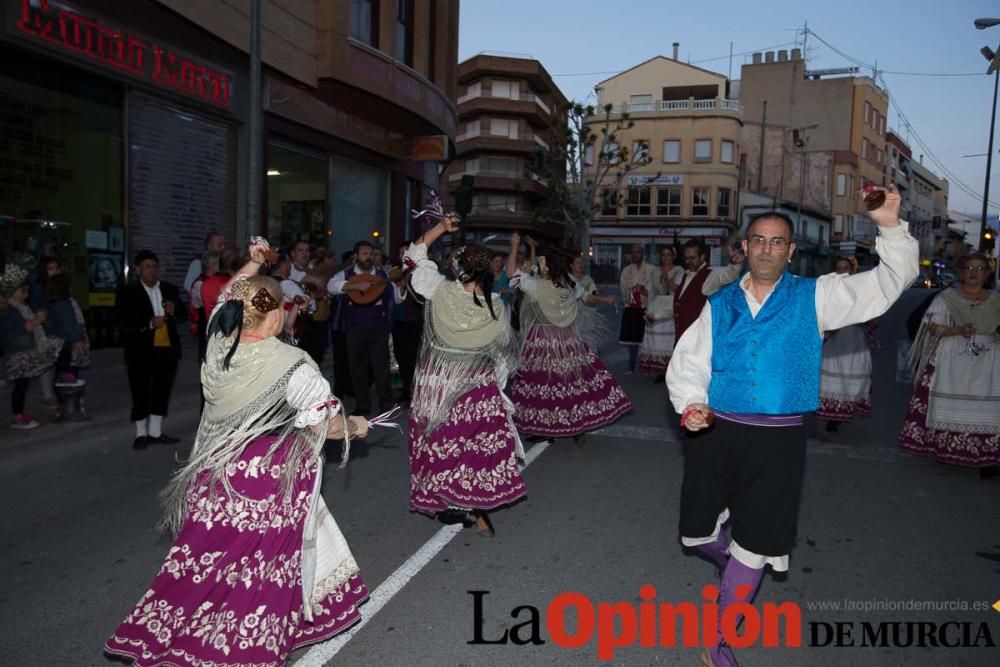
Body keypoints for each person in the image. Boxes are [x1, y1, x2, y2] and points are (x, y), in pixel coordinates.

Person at [666, 190, 917, 667]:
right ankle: (733, 564)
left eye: (776, 242)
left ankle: (719, 641)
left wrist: (889, 225)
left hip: (778, 440)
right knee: (696, 532)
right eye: (757, 240)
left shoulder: (817, 296)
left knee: (758, 542)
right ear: (743, 248)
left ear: (790, 251)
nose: (765, 249)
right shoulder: (719, 304)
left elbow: (890, 282)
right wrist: (693, 405)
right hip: (717, 432)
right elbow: (690, 362)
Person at [105, 239, 370, 667]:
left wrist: (253, 262)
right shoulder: (293, 363)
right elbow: (326, 425)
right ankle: (242, 648)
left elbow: (231, 295)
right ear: (275, 314)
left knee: (210, 564)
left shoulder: (218, 342)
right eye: (284, 306)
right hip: (266, 484)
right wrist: (356, 426)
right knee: (258, 572)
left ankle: (180, 636)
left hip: (216, 475)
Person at [404, 213, 525, 536]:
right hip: (476, 382)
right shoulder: (497, 306)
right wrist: (498, 389)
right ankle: (471, 505)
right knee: (474, 446)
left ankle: (455, 504)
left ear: (456, 269)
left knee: (439, 442)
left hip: (438, 381)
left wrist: (441, 228)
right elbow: (500, 355)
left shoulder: (436, 289)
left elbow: (415, 254)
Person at [507, 233, 632, 440]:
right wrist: (606, 300)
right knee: (569, 382)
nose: (540, 266)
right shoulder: (567, 285)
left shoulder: (538, 286)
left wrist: (514, 246)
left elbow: (512, 273)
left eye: (542, 264)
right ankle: (577, 425)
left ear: (547, 268)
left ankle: (547, 429)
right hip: (567, 339)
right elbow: (586, 297)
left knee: (544, 385)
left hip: (541, 340)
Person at [899, 253, 1000, 479]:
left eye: (979, 269)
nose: (973, 273)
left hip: (990, 360)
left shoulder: (996, 301)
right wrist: (958, 330)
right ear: (962, 272)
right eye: (969, 268)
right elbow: (933, 327)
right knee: (953, 403)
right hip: (953, 357)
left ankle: (989, 458)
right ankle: (947, 447)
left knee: (988, 408)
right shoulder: (947, 298)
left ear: (987, 274)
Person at [118, 250, 185, 450]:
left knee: (162, 390)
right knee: (140, 391)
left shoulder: (169, 289)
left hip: (167, 349)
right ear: (138, 269)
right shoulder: (128, 292)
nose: (152, 271)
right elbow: (123, 322)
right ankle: (141, 433)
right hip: (140, 350)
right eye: (147, 267)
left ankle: (155, 431)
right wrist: (148, 323)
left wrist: (175, 310)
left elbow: (183, 315)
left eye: (155, 267)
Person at [327, 241, 394, 416]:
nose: (368, 257)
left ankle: (385, 403)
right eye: (364, 254)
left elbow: (396, 299)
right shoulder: (346, 274)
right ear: (355, 256)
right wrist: (354, 286)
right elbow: (331, 287)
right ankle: (363, 404)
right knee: (357, 367)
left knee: (381, 367)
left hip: (378, 326)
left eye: (371, 254)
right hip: (354, 326)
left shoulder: (382, 274)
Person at [816, 257, 875, 433]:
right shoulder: (827, 288)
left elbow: (872, 314)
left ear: (852, 270)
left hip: (852, 337)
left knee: (849, 374)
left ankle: (843, 412)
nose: (842, 271)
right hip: (833, 338)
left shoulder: (861, 289)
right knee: (831, 373)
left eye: (845, 268)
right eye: (838, 268)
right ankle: (832, 416)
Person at [0, 264, 62, 430]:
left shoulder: (18, 307)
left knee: (23, 384)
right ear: (12, 292)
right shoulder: (8, 309)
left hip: (23, 351)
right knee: (20, 386)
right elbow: (22, 328)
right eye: (23, 292)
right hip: (17, 354)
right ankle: (17, 416)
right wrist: (36, 321)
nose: (26, 295)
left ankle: (19, 414)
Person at [673, 239, 744, 343]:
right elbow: (679, 305)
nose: (688, 261)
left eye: (692, 258)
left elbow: (727, 275)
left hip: (698, 341)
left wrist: (735, 265)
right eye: (686, 258)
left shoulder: (711, 274)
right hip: (681, 340)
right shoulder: (685, 275)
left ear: (702, 257)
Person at [618, 244, 658, 374]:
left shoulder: (652, 269)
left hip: (646, 307)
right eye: (633, 252)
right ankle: (631, 366)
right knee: (632, 340)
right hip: (631, 308)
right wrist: (632, 291)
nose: (635, 255)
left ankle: (647, 366)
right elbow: (623, 289)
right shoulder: (626, 271)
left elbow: (654, 289)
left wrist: (643, 290)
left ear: (643, 254)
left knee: (648, 338)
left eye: (638, 252)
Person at [45, 273, 90, 386]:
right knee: (68, 374)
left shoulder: (53, 304)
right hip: (66, 345)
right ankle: (67, 399)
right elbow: (68, 325)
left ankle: (64, 398)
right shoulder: (63, 305)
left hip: (60, 344)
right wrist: (77, 340)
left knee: (61, 372)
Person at [389, 265, 422, 402]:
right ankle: (405, 389)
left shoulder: (419, 274)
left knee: (412, 358)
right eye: (401, 253)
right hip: (397, 322)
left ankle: (412, 391)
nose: (404, 256)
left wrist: (408, 284)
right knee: (400, 357)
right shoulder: (393, 272)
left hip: (414, 321)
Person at [329, 250, 356, 399]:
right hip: (339, 324)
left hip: (353, 324)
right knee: (340, 358)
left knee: (353, 358)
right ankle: (340, 388)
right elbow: (331, 289)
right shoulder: (340, 276)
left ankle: (350, 386)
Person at [189, 250, 219, 365]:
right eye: (217, 263)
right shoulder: (200, 283)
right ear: (210, 266)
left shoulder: (216, 280)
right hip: (206, 326)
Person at [183, 231, 225, 295]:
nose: (223, 247)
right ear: (209, 246)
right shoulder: (198, 263)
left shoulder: (224, 263)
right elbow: (188, 285)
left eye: (224, 244)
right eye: (219, 245)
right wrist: (204, 295)